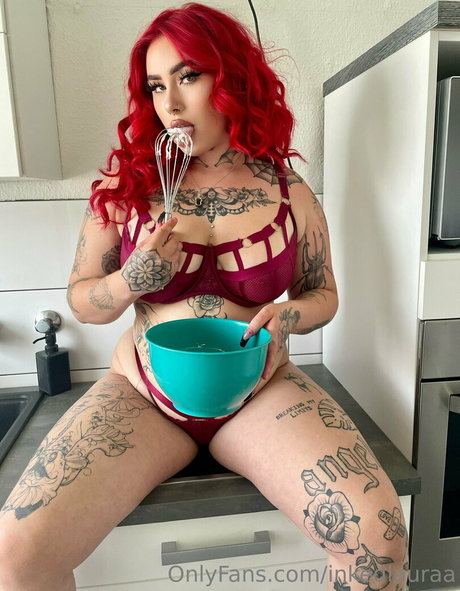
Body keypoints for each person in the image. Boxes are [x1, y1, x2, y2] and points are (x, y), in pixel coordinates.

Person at [0, 3, 408, 590]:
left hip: (260, 394)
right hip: (144, 397)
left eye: (188, 76)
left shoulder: (288, 189)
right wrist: (129, 281)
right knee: (15, 556)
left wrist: (289, 314)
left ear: (234, 78)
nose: (169, 103)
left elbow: (323, 294)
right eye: (155, 86)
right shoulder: (125, 187)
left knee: (379, 540)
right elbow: (84, 302)